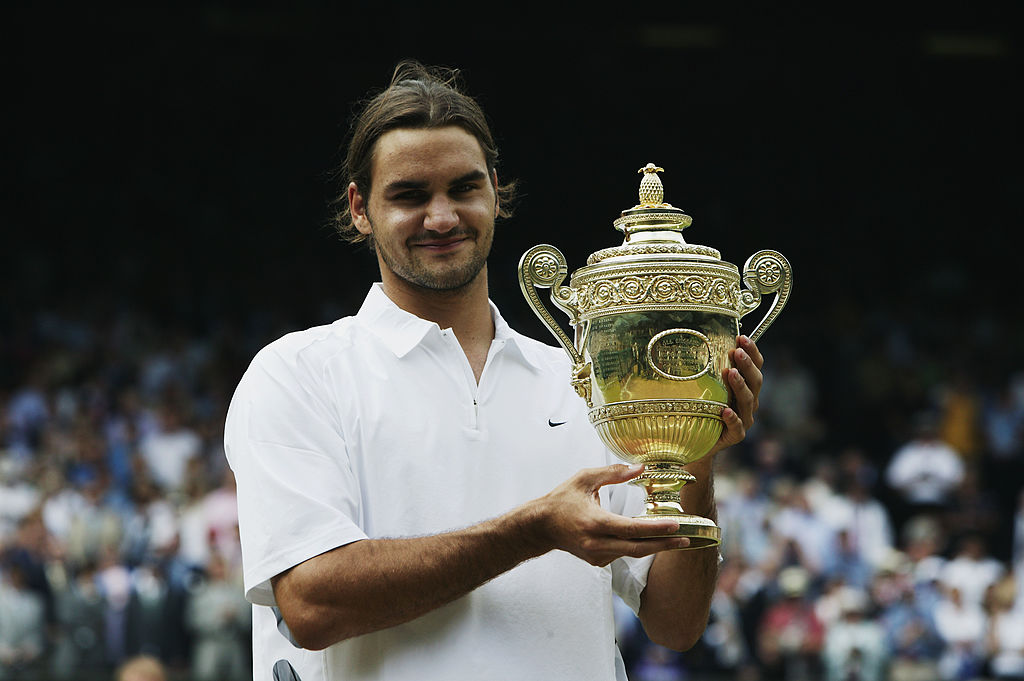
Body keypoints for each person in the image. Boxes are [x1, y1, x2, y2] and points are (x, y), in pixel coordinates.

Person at [224, 60, 765, 681]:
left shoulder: (584, 378)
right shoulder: (296, 375)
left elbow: (675, 621)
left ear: (496, 193)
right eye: (409, 195)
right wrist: (533, 530)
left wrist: (697, 454)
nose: (442, 217)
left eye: (464, 188)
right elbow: (311, 603)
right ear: (359, 209)